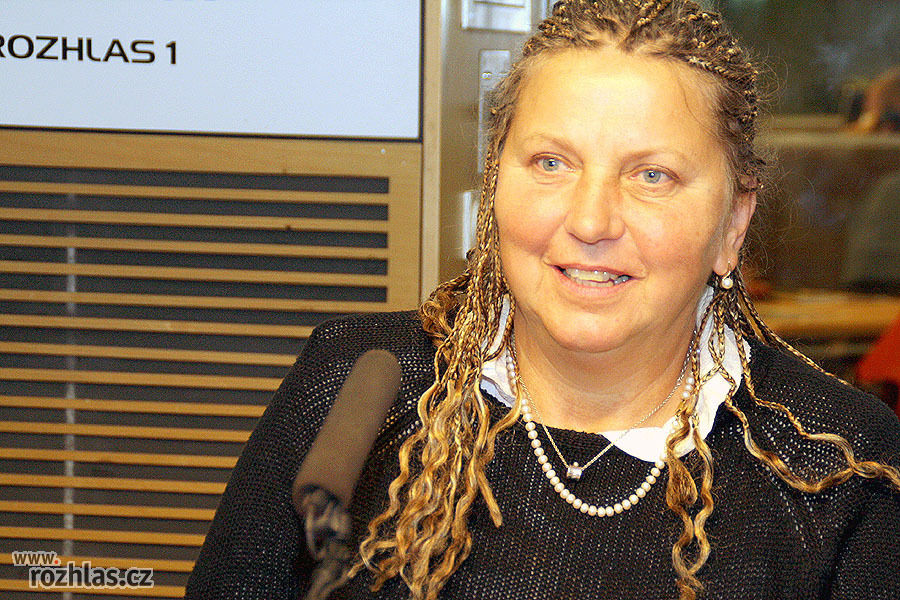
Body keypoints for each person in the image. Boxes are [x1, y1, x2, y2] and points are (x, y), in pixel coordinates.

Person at [185, 1, 900, 599]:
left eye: (651, 175)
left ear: (734, 223)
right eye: (551, 163)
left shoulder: (842, 468)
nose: (590, 221)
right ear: (495, 184)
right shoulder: (356, 392)